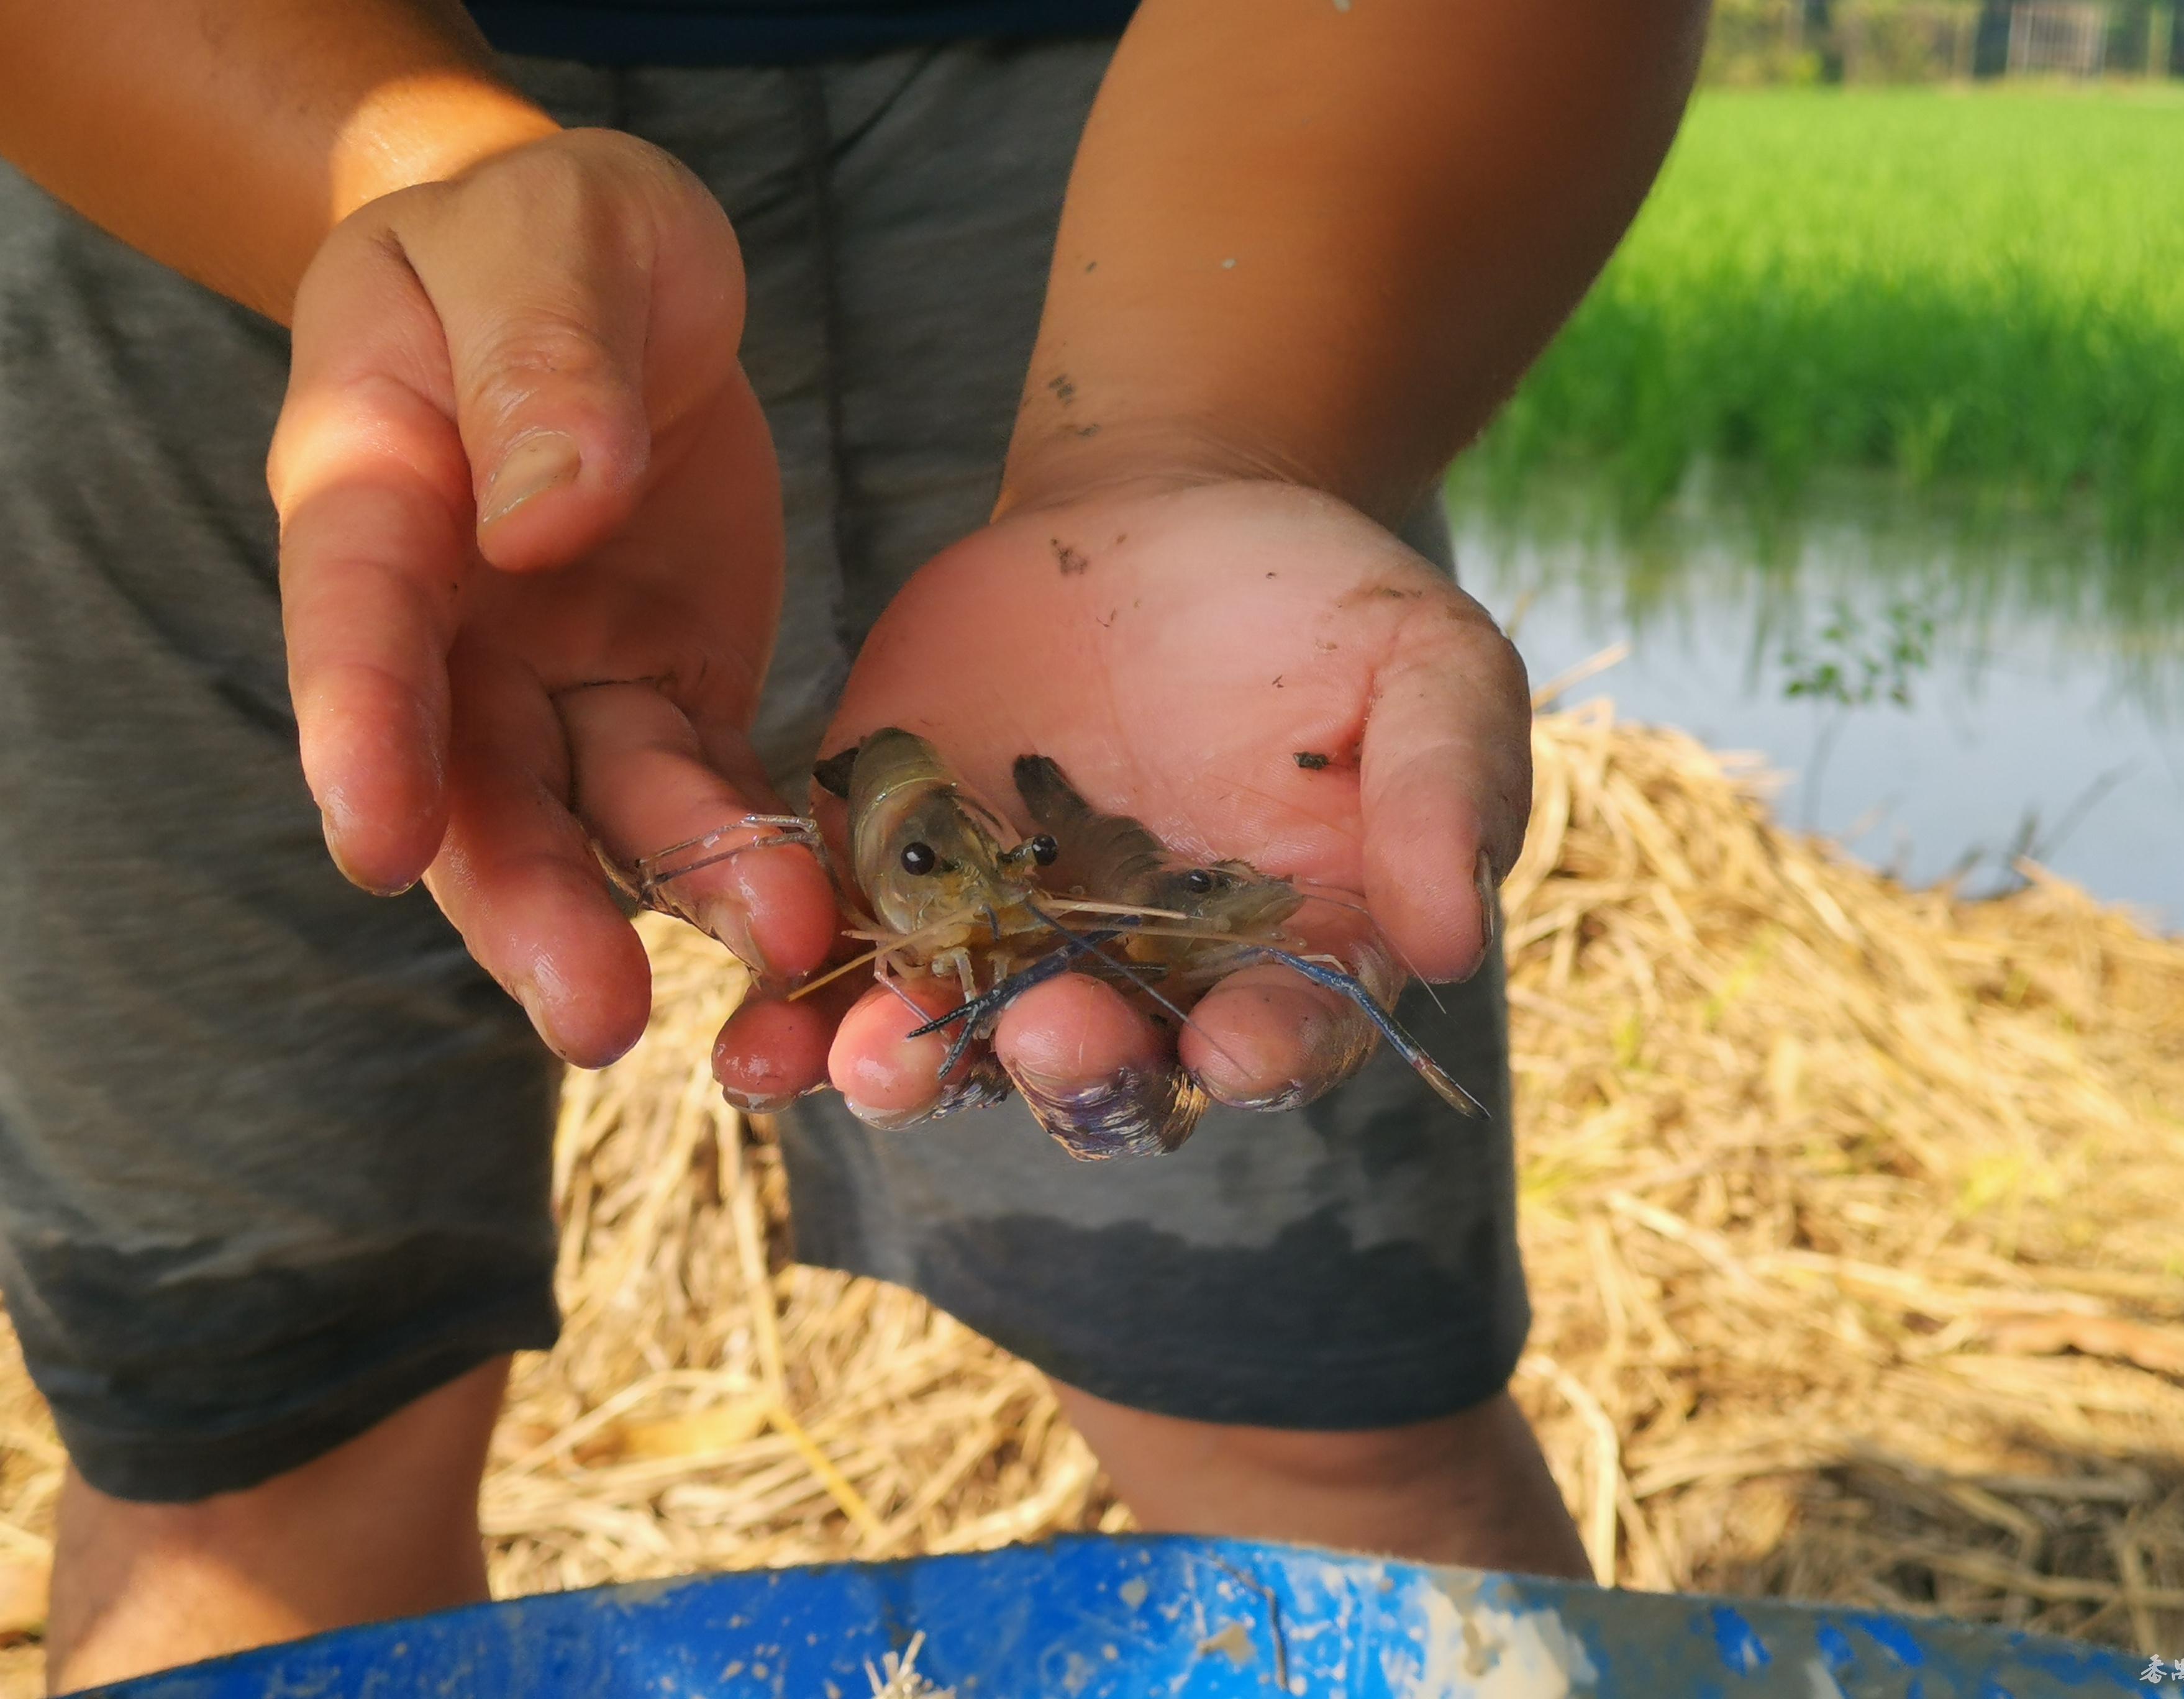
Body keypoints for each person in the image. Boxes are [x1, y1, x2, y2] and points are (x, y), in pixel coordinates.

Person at [0, 1, 1704, 1686]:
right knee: (253, 1439)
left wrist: (1199, 435)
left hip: (1193, 154)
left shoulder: (1037, 850)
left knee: (1323, 1419)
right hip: (209, 137)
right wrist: (404, 189)